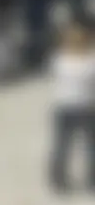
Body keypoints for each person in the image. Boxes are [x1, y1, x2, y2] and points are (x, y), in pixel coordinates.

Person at [50, 23, 95, 192]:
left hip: (64, 108)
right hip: (87, 109)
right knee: (91, 146)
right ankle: (91, 179)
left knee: (62, 146)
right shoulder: (91, 63)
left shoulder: (59, 61)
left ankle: (58, 180)